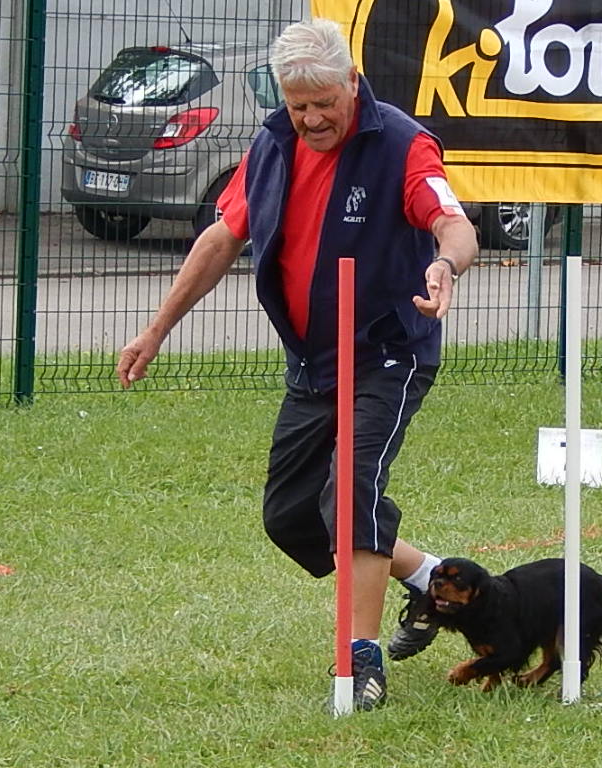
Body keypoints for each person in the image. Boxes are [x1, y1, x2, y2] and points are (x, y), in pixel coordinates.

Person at [116, 17, 477, 710]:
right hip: (314, 362)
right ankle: (428, 576)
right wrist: (157, 330)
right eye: (297, 104)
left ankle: (361, 661)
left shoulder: (401, 143)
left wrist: (444, 264)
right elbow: (224, 237)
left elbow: (451, 220)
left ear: (351, 83)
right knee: (290, 517)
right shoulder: (273, 144)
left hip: (387, 351)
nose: (312, 118)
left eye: (324, 103)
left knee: (350, 494)